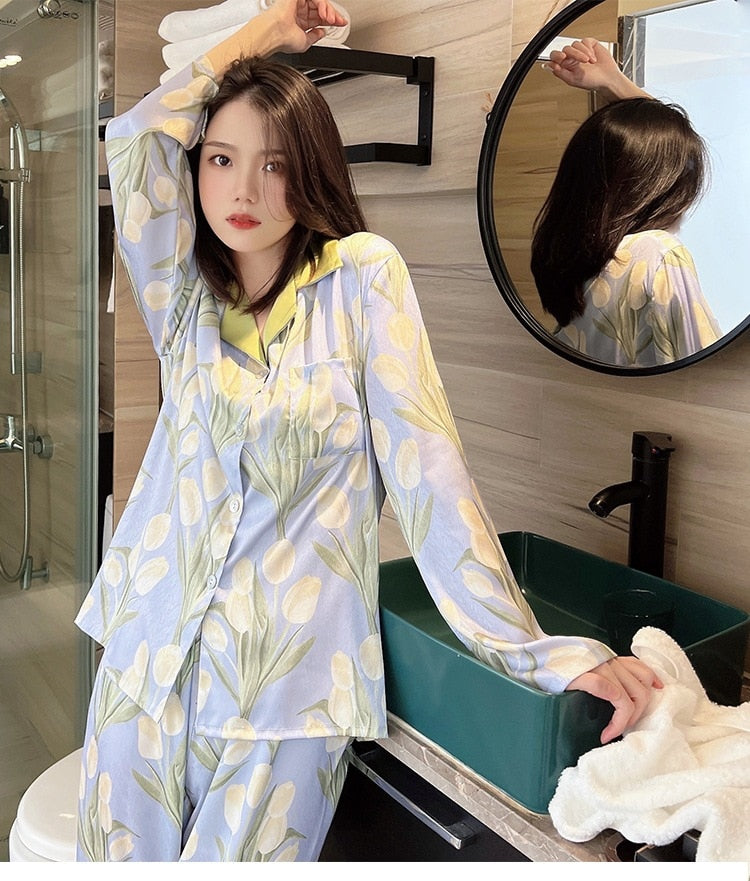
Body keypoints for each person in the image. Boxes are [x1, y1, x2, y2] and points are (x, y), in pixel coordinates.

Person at [75, 5, 661, 862]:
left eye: (275, 163)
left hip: (285, 692)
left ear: (311, 169)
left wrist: (535, 653)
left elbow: (430, 477)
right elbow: (135, 137)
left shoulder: (360, 278)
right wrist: (267, 34)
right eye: (221, 159)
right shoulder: (183, 296)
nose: (243, 191)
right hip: (144, 661)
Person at [532, 38, 722, 368]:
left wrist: (613, 82)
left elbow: (659, 143)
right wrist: (614, 83)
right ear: (664, 183)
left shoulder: (585, 264)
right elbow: (707, 371)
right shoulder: (658, 255)